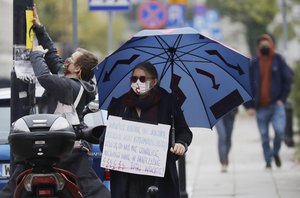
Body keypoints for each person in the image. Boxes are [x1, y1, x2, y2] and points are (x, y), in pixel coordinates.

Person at [0, 6, 111, 198]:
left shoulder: (72, 88)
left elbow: (44, 77)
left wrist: (35, 53)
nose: (65, 61)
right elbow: (53, 55)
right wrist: (39, 27)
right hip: (56, 144)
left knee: (91, 189)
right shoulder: (68, 80)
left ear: (78, 70)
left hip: (65, 146)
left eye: (71, 59)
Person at [100, 62, 193, 198]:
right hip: (127, 179)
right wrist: (108, 145)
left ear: (154, 81)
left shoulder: (168, 103)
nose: (137, 82)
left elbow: (184, 131)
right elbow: (108, 136)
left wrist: (181, 144)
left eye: (142, 79)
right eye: (134, 79)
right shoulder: (121, 104)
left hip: (159, 177)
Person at [245, 34, 292, 169]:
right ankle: (268, 160)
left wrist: (282, 99)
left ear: (271, 45)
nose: (264, 47)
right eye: (262, 45)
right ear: (258, 47)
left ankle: (275, 152)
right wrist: (249, 106)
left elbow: (287, 80)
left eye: (267, 44)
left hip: (276, 105)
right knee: (264, 136)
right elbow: (246, 85)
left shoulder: (278, 60)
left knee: (280, 132)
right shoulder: (254, 63)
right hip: (260, 107)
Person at [215, 108, 238, 173]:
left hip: (230, 112)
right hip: (217, 114)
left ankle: (225, 156)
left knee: (228, 138)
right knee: (222, 136)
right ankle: (223, 161)